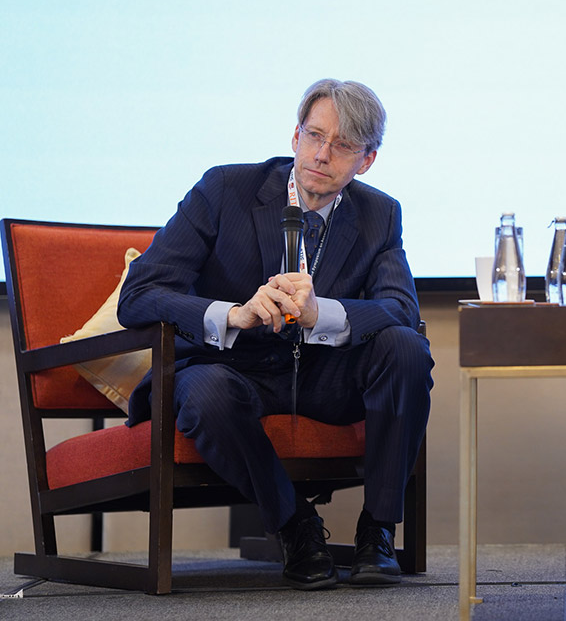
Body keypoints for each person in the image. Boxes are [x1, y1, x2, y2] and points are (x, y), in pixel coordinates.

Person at [118, 79, 433, 590]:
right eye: (314, 135)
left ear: (367, 160)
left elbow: (399, 308)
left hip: (322, 377)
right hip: (231, 369)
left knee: (406, 347)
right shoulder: (224, 190)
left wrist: (319, 314)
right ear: (294, 136)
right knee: (207, 394)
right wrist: (233, 313)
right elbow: (139, 294)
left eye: (343, 145)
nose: (322, 154)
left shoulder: (380, 214)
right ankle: (296, 527)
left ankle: (377, 530)